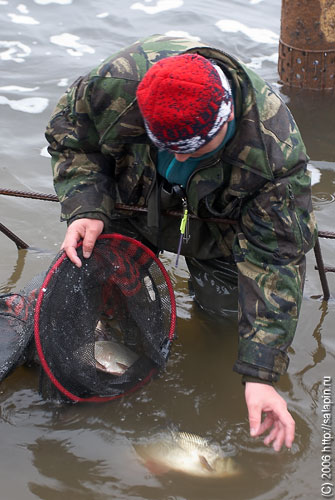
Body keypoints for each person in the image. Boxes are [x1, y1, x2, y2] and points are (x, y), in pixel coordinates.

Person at [45, 34, 317, 452]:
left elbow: (276, 259)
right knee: (117, 300)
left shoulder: (273, 153)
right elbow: (71, 136)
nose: (182, 160)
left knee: (225, 319)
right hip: (133, 201)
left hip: (222, 230)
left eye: (194, 150)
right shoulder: (116, 84)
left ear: (226, 121)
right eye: (169, 148)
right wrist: (85, 207)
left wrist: (260, 375)